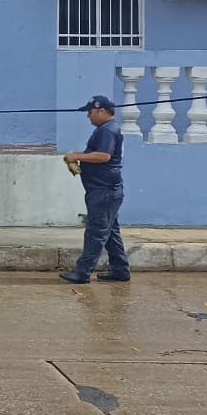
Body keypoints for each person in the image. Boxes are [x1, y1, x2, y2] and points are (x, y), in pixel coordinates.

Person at [60, 95, 130, 285]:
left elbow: (103, 156)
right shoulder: (107, 129)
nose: (88, 117)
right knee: (110, 232)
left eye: (90, 113)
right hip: (106, 190)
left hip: (104, 191)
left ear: (101, 111)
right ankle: (120, 270)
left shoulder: (107, 130)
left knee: (96, 232)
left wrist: (76, 155)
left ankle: (83, 272)